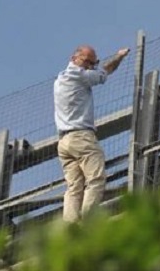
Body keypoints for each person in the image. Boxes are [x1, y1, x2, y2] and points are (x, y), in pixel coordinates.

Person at [54, 44, 130, 222]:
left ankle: (70, 229)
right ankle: (87, 224)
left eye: (93, 63)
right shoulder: (78, 75)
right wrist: (119, 56)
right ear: (74, 59)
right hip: (81, 137)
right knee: (96, 179)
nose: (90, 66)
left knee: (74, 188)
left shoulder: (60, 79)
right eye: (87, 62)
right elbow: (103, 74)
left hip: (64, 142)